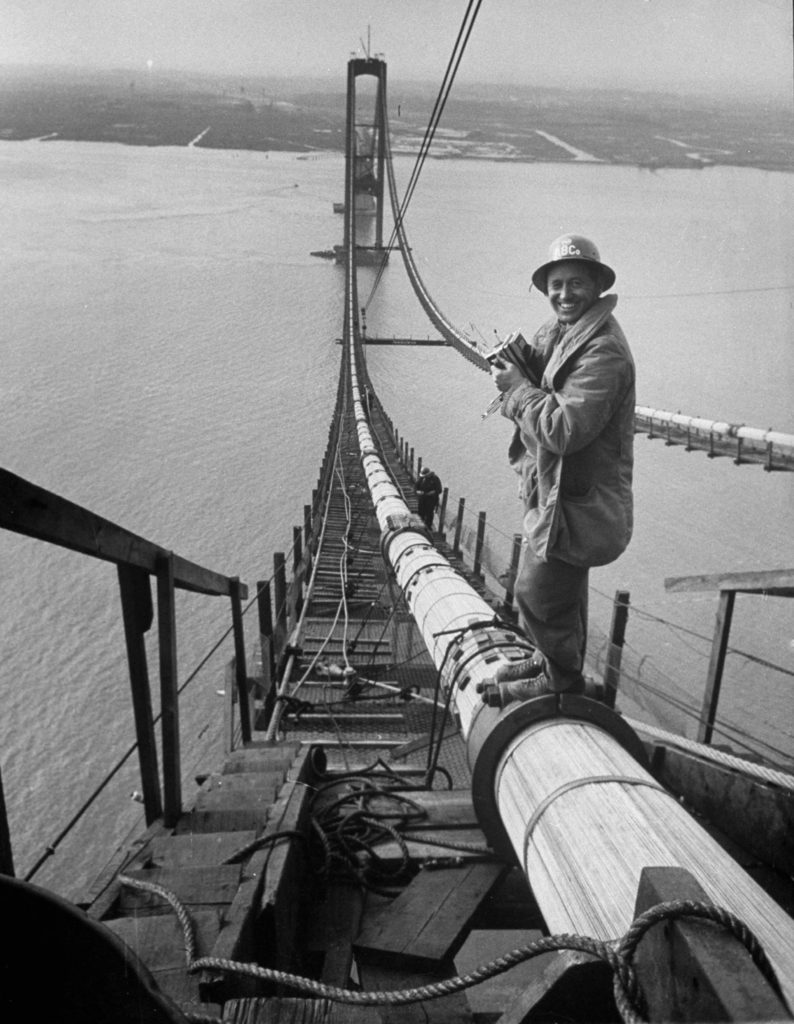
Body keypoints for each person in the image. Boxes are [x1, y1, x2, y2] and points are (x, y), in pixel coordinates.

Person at [484, 234, 635, 702]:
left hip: (580, 502)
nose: (564, 294)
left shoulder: (604, 350)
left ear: (595, 285)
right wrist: (523, 361)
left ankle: (559, 682)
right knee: (558, 595)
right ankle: (545, 657)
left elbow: (564, 427)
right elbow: (552, 374)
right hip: (557, 494)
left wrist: (514, 390)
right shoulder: (564, 330)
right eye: (555, 284)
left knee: (537, 591)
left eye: (575, 284)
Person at [415, 466, 442, 530]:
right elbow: (415, 487)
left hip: (431, 500)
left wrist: (433, 492)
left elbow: (439, 490)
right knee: (420, 513)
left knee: (429, 514)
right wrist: (417, 491)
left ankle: (428, 528)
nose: (424, 477)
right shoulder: (421, 479)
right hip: (422, 499)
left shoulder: (435, 479)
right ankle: (420, 527)